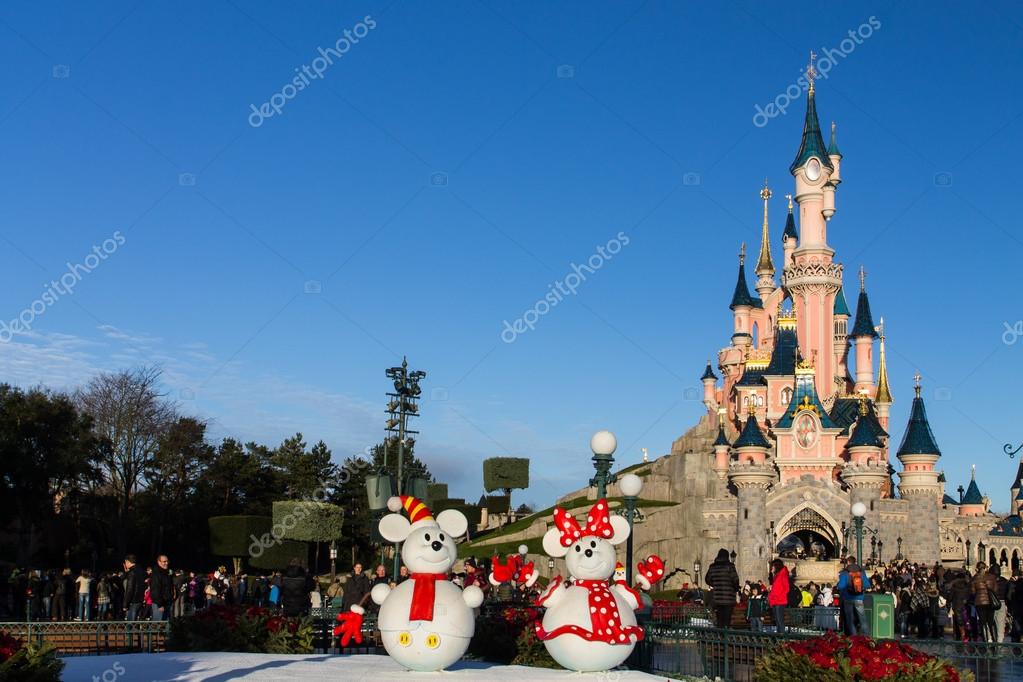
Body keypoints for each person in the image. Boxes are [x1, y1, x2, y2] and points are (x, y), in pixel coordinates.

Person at [704, 548, 740, 628]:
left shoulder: (713, 566)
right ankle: (725, 638)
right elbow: (736, 580)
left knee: (720, 620)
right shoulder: (730, 566)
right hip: (729, 598)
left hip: (717, 598)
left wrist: (715, 584)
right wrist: (735, 589)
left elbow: (707, 579)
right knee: (727, 621)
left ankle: (720, 638)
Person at [836, 556, 871, 636]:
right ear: (855, 562)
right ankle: (867, 637)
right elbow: (867, 585)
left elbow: (841, 586)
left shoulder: (844, 573)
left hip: (848, 599)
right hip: (859, 598)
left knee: (850, 620)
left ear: (848, 562)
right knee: (863, 619)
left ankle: (853, 638)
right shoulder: (861, 572)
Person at [972, 562, 998, 643]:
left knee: (983, 622)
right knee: (991, 622)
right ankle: (994, 641)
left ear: (977, 569)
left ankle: (985, 642)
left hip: (979, 602)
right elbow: (995, 589)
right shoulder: (992, 577)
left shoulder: (975, 578)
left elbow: (973, 592)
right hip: (990, 602)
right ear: (985, 568)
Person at [768, 559, 790, 634]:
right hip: (775, 601)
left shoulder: (782, 575)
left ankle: (782, 638)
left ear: (776, 567)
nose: (771, 569)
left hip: (779, 601)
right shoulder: (777, 576)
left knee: (780, 620)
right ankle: (779, 637)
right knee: (777, 621)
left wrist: (778, 596)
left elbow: (786, 588)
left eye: (772, 567)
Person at [150, 555, 174, 622]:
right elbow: (155, 590)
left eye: (167, 561)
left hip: (167, 602)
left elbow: (168, 587)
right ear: (159, 562)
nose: (166, 563)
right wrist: (160, 605)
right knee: (158, 624)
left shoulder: (166, 572)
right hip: (159, 604)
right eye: (164, 561)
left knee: (166, 625)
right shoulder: (156, 573)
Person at [123, 555, 146, 621]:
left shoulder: (132, 572)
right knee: (137, 621)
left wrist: (125, 604)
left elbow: (130, 589)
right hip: (140, 599)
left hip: (133, 600)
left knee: (131, 623)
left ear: (127, 561)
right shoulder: (140, 570)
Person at [991, 564, 1009, 643]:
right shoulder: (1005, 581)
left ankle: (989, 641)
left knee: (989, 624)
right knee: (1000, 626)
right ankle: (999, 643)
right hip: (1001, 603)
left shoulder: (989, 581)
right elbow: (1008, 594)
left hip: (990, 604)